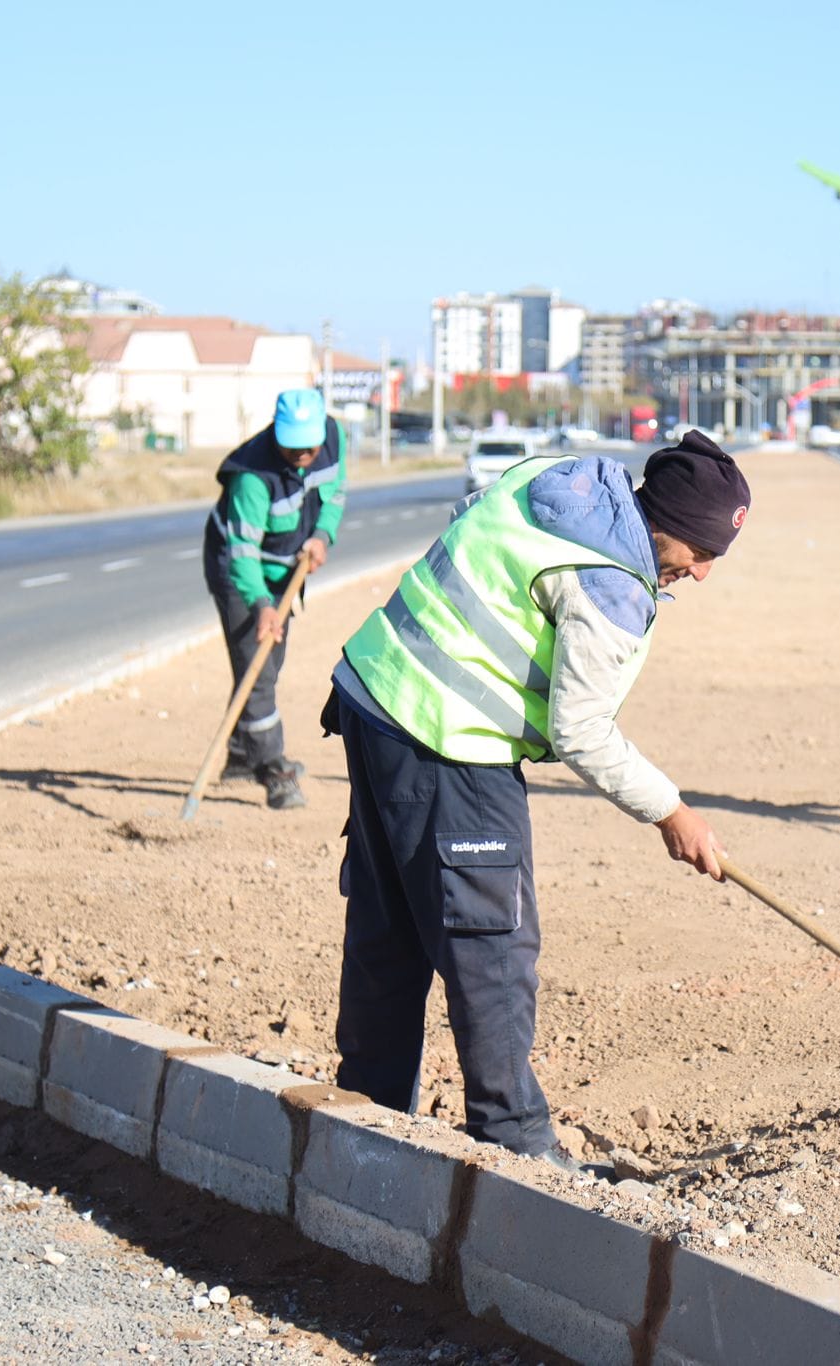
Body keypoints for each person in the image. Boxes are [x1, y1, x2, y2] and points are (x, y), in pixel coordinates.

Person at [324, 430, 749, 1170]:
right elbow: (580, 730)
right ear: (667, 528)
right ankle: (515, 1142)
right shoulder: (611, 584)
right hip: (451, 738)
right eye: (702, 555)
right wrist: (670, 812)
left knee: (388, 932)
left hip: (374, 693)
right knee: (490, 945)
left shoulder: (559, 478)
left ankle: (367, 1113)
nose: (704, 575)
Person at [202, 388, 349, 809]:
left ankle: (238, 758)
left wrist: (322, 535)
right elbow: (242, 553)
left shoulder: (334, 439)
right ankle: (272, 768)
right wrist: (261, 604)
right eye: (292, 443)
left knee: (267, 662)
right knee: (258, 664)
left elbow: (335, 492)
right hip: (238, 570)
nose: (302, 452)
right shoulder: (252, 477)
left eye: (310, 442)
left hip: (288, 565)